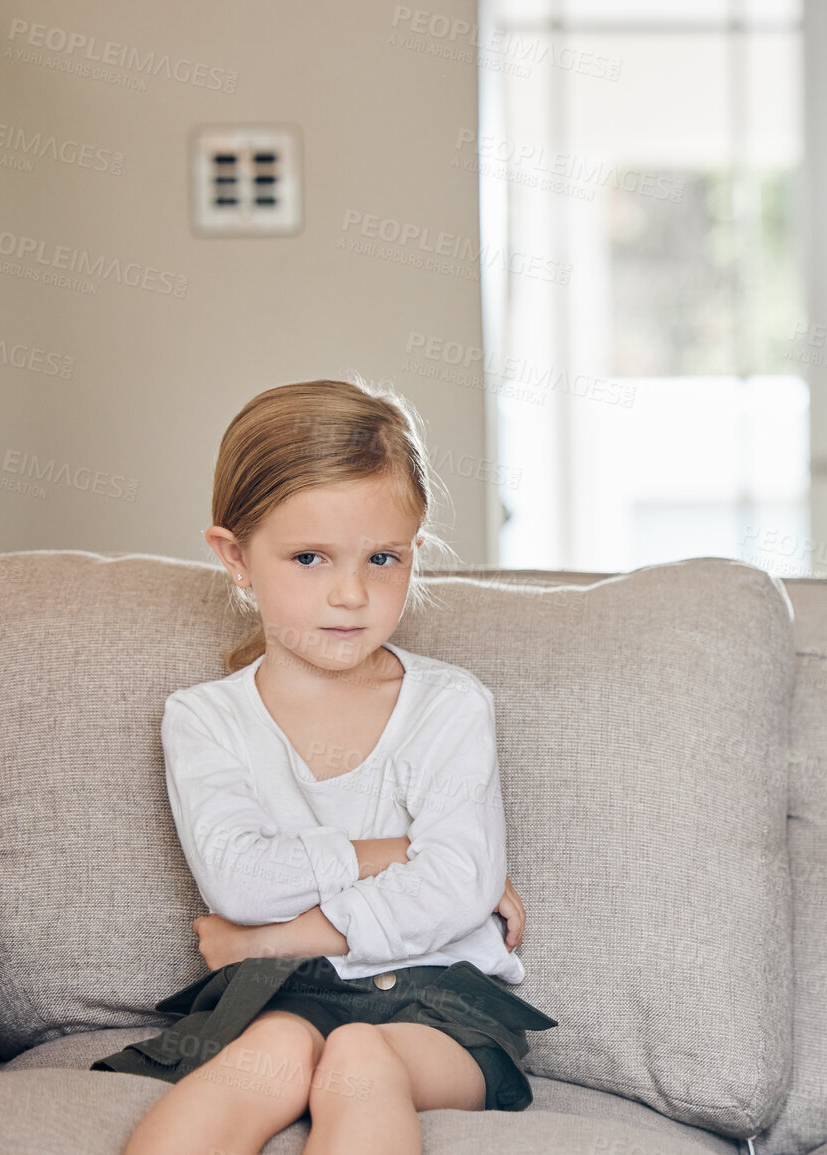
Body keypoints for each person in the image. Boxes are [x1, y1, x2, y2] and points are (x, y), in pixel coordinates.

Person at [91, 378, 558, 1155]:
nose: (351, 594)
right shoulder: (205, 719)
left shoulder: (449, 705)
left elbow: (458, 890)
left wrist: (272, 937)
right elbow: (240, 881)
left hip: (437, 1001)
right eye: (310, 557)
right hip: (282, 995)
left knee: (360, 1055)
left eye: (383, 557)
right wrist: (395, 852)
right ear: (235, 556)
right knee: (270, 1055)